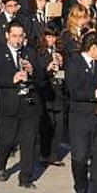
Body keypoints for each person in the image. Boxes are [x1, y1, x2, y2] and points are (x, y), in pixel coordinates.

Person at [0, 20, 44, 188]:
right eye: (14, 36)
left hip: (29, 104)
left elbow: (41, 78)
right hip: (9, 104)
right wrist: (12, 80)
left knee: (29, 141)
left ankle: (25, 177)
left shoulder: (29, 52)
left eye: (20, 36)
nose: (17, 40)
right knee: (7, 140)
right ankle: (2, 164)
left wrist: (32, 71)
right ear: (7, 35)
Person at [65, 31, 97, 193]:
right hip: (80, 118)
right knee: (80, 157)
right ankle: (81, 190)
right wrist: (95, 93)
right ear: (92, 48)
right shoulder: (74, 63)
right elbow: (73, 91)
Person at [36, 27, 67, 167]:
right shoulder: (40, 54)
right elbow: (38, 73)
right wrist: (48, 68)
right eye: (48, 37)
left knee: (59, 126)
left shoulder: (60, 52)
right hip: (47, 92)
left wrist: (62, 63)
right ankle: (44, 154)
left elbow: (66, 72)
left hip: (59, 91)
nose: (52, 40)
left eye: (54, 37)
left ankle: (53, 155)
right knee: (48, 126)